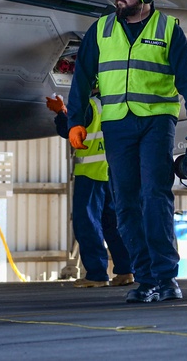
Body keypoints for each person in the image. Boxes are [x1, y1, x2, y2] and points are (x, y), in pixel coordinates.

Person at [66, 0, 187, 303]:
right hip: (117, 124)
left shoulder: (168, 29)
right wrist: (76, 120)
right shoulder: (100, 30)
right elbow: (82, 78)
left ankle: (166, 278)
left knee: (154, 198)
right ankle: (145, 280)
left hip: (156, 122)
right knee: (125, 203)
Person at [46, 92, 134, 289]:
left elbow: (68, 130)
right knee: (115, 224)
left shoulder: (90, 106)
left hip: (91, 174)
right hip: (112, 173)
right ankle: (126, 270)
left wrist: (60, 111)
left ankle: (96, 274)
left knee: (87, 224)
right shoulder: (118, 105)